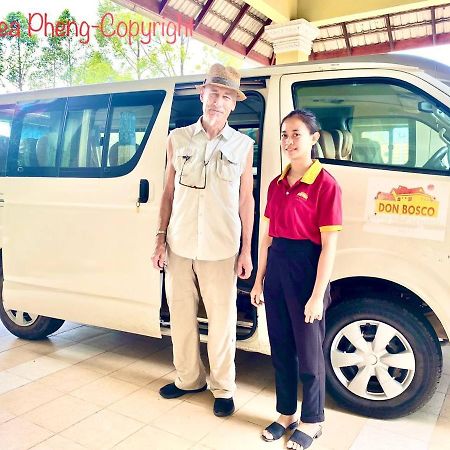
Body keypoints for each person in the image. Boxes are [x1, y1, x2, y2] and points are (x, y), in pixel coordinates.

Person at [152, 63, 255, 417]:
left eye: (226, 96)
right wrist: (160, 239)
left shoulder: (243, 145)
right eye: (213, 93)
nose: (218, 101)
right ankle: (188, 379)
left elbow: (246, 200)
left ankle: (223, 388)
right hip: (179, 244)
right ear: (202, 94)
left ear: (233, 104)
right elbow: (167, 193)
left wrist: (246, 251)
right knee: (180, 315)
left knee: (222, 320)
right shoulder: (177, 139)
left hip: (222, 248)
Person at [250, 109, 342, 449]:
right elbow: (268, 235)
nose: (289, 141)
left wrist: (318, 295)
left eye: (297, 134)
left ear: (313, 138)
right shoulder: (276, 183)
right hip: (277, 267)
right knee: (281, 348)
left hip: (307, 268)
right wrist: (260, 279)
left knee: (309, 351)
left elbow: (330, 244)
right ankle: (286, 414)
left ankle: (313, 419)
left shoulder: (325, 184)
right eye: (285, 134)